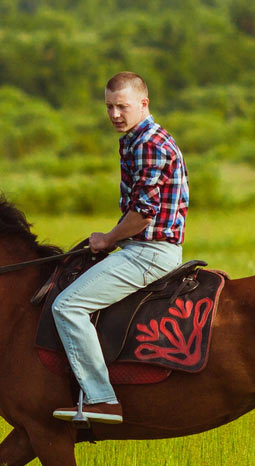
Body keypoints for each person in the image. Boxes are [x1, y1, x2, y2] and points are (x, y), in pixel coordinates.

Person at [49, 71, 190, 425]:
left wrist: (108, 239)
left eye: (122, 106)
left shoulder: (148, 144)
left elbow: (142, 214)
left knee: (67, 305)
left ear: (144, 104)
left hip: (150, 252)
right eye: (109, 107)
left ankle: (101, 399)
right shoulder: (133, 139)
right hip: (140, 248)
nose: (114, 114)